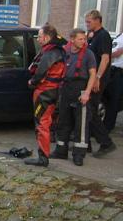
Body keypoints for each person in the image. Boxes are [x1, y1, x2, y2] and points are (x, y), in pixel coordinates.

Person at [53, 28, 97, 166]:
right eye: (80, 39)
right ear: (72, 39)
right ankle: (61, 150)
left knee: (81, 125)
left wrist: (87, 93)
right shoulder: (65, 52)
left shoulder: (88, 54)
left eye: (84, 39)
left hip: (80, 89)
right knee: (63, 122)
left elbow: (92, 75)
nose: (83, 41)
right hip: (66, 89)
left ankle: (78, 155)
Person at [25, 23, 66, 167]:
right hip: (54, 92)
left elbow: (40, 72)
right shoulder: (60, 51)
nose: (38, 39)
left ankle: (43, 158)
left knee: (42, 124)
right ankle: (44, 155)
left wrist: (32, 82)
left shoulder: (49, 53)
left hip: (44, 93)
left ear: (47, 37)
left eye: (40, 37)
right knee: (46, 122)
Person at [85, 9, 117, 157]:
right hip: (91, 77)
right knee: (87, 109)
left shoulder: (103, 36)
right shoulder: (93, 36)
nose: (87, 24)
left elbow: (105, 59)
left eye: (89, 21)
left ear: (98, 20)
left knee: (91, 110)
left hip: (98, 79)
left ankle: (106, 142)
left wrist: (98, 77)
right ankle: (86, 143)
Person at [107, 30, 123, 131]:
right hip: (113, 70)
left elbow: (118, 52)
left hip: (120, 72)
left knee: (114, 101)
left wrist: (106, 55)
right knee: (110, 99)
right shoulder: (119, 35)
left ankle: (108, 126)